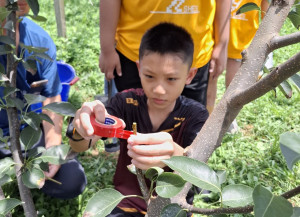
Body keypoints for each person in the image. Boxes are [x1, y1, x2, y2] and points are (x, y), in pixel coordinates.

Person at [70, 23, 209, 216]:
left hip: (172, 207)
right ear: (139, 67)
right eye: (149, 76)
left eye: (171, 79)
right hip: (126, 204)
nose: (159, 89)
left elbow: (199, 168)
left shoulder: (196, 115)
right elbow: (81, 145)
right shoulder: (124, 103)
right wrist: (83, 128)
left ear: (190, 75)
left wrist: (177, 155)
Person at [0, 0, 86, 199]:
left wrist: (53, 150)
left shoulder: (37, 41)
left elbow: (51, 98)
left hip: (26, 133)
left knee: (71, 180)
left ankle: (26, 171)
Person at [99, 0, 231, 109]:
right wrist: (107, 49)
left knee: (186, 124)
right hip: (135, 54)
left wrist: (222, 44)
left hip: (193, 57)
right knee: (133, 119)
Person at [226, 0, 270, 133]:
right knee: (211, 80)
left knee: (233, 83)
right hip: (218, 34)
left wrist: (267, 43)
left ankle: (228, 117)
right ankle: (208, 115)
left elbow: (267, 13)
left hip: (243, 37)